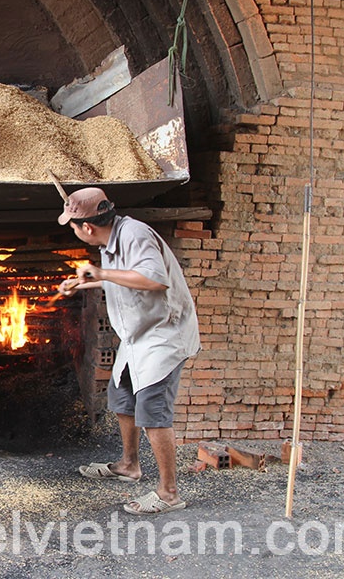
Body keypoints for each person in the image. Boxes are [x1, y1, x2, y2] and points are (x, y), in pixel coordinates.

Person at [57, 186, 200, 515]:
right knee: (122, 395)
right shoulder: (111, 239)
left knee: (153, 413)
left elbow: (154, 279)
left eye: (74, 226)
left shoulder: (134, 234)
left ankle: (169, 493)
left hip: (164, 333)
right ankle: (128, 465)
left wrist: (102, 273)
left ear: (88, 228)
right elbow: (125, 277)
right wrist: (85, 282)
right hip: (138, 336)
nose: (75, 230)